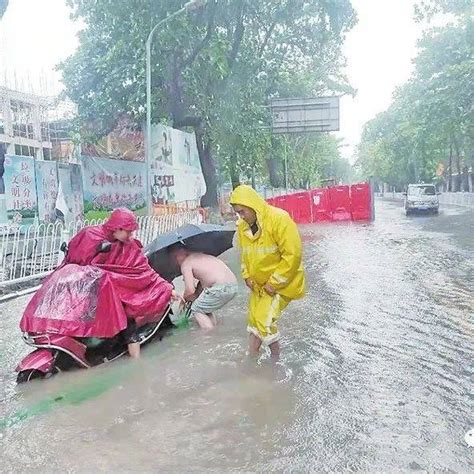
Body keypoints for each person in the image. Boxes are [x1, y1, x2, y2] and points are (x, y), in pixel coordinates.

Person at [21, 208, 180, 359]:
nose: (131, 236)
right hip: (87, 291)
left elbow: (143, 270)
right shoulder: (89, 236)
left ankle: (137, 368)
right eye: (128, 231)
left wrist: (166, 288)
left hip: (119, 292)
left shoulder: (129, 246)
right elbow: (72, 261)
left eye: (132, 232)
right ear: (116, 228)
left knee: (130, 330)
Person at [230, 185, 305, 360]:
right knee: (255, 320)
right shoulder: (243, 226)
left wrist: (275, 283)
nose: (241, 216)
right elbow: (245, 255)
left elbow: (293, 254)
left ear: (252, 205)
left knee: (263, 321)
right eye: (238, 213)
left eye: (242, 211)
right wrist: (247, 276)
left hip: (283, 284)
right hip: (260, 286)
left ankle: (253, 363)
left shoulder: (279, 219)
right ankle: (273, 358)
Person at [170, 243, 238, 329]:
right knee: (204, 307)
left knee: (197, 309)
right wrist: (193, 296)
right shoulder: (201, 255)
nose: (175, 261)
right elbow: (200, 287)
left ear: (181, 253)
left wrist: (183, 300)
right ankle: (214, 330)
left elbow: (190, 290)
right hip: (233, 286)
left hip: (220, 287)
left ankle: (208, 337)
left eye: (175, 257)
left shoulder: (186, 264)